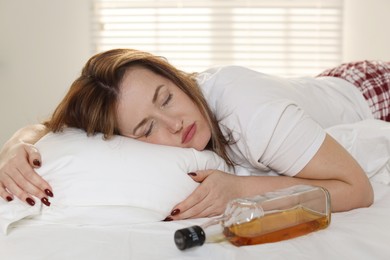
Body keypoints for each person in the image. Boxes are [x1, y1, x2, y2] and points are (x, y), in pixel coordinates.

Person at [1, 48, 389, 220]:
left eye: (166, 98)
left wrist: (240, 191)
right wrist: (15, 147)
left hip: (373, 93)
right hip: (321, 87)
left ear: (177, 78)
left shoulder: (250, 112)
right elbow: (52, 127)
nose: (174, 124)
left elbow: (357, 188)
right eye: (146, 127)